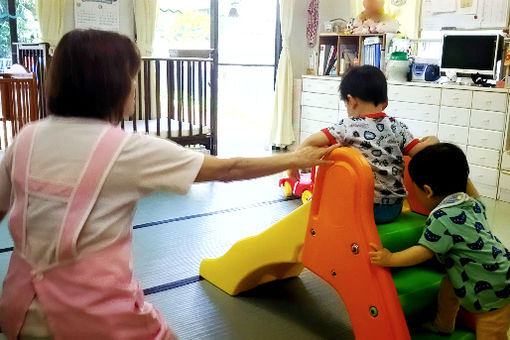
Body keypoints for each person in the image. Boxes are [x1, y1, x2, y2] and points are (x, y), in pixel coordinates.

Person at [0, 29, 337, 340]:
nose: (133, 86)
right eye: (132, 77)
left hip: (19, 311)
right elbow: (228, 168)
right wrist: (295, 159)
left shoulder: (25, 138)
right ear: (114, 84)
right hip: (95, 316)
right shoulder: (125, 149)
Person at [369, 143, 510, 339]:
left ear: (427, 191)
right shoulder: (472, 202)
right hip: (485, 269)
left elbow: (423, 251)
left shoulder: (442, 218)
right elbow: (464, 181)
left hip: (493, 285)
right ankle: (444, 324)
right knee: (449, 285)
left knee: (491, 329)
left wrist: (390, 258)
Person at [290, 65, 438, 224]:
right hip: (394, 208)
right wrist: (433, 140)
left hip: (362, 208)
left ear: (351, 101)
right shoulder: (398, 127)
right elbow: (423, 153)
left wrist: (293, 164)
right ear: (385, 103)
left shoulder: (347, 126)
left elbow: (311, 142)